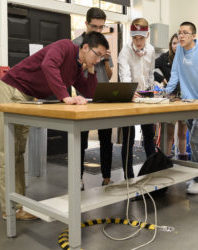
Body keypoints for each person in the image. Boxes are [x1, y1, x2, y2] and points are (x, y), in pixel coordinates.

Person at [0, 32, 109, 220]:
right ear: (85, 47)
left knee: (18, 152)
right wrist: (64, 96)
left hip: (27, 97)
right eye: (97, 54)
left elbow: (89, 91)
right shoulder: (65, 46)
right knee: (7, 152)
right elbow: (48, 65)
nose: (98, 60)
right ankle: (9, 210)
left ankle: (18, 204)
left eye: (102, 57)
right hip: (12, 89)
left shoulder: (77, 68)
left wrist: (91, 70)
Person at [165, 21, 198, 194]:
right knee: (195, 141)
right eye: (179, 32)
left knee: (195, 140)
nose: (181, 36)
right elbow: (175, 74)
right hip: (188, 103)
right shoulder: (179, 50)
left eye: (185, 33)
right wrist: (165, 93)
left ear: (194, 35)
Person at [73, 7, 114, 190]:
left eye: (101, 27)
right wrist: (88, 62)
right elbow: (72, 74)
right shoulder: (76, 44)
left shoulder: (104, 43)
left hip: (103, 97)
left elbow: (110, 75)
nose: (98, 31)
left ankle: (106, 177)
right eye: (94, 26)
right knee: (80, 141)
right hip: (83, 98)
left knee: (106, 139)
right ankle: (78, 179)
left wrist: (104, 59)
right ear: (86, 24)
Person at [118, 17, 156, 179]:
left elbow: (151, 72)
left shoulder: (152, 50)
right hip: (129, 96)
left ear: (146, 35)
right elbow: (124, 74)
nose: (138, 42)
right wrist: (129, 91)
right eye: (135, 38)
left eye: (141, 38)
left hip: (146, 95)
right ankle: (129, 176)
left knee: (149, 136)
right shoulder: (125, 50)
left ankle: (152, 172)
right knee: (129, 138)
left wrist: (152, 88)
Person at [154, 33, 188, 160]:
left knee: (183, 133)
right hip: (171, 99)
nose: (177, 46)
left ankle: (183, 160)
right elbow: (148, 68)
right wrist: (161, 78)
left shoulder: (188, 58)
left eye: (179, 42)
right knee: (168, 134)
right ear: (170, 45)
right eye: (174, 43)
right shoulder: (164, 58)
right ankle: (166, 161)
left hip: (185, 99)